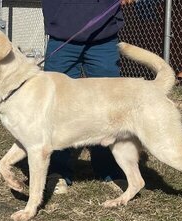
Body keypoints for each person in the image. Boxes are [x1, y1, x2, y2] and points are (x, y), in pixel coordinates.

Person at [42, 0, 133, 194]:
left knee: (109, 107)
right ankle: (57, 171)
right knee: (57, 108)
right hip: (62, 35)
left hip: (104, 37)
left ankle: (108, 168)